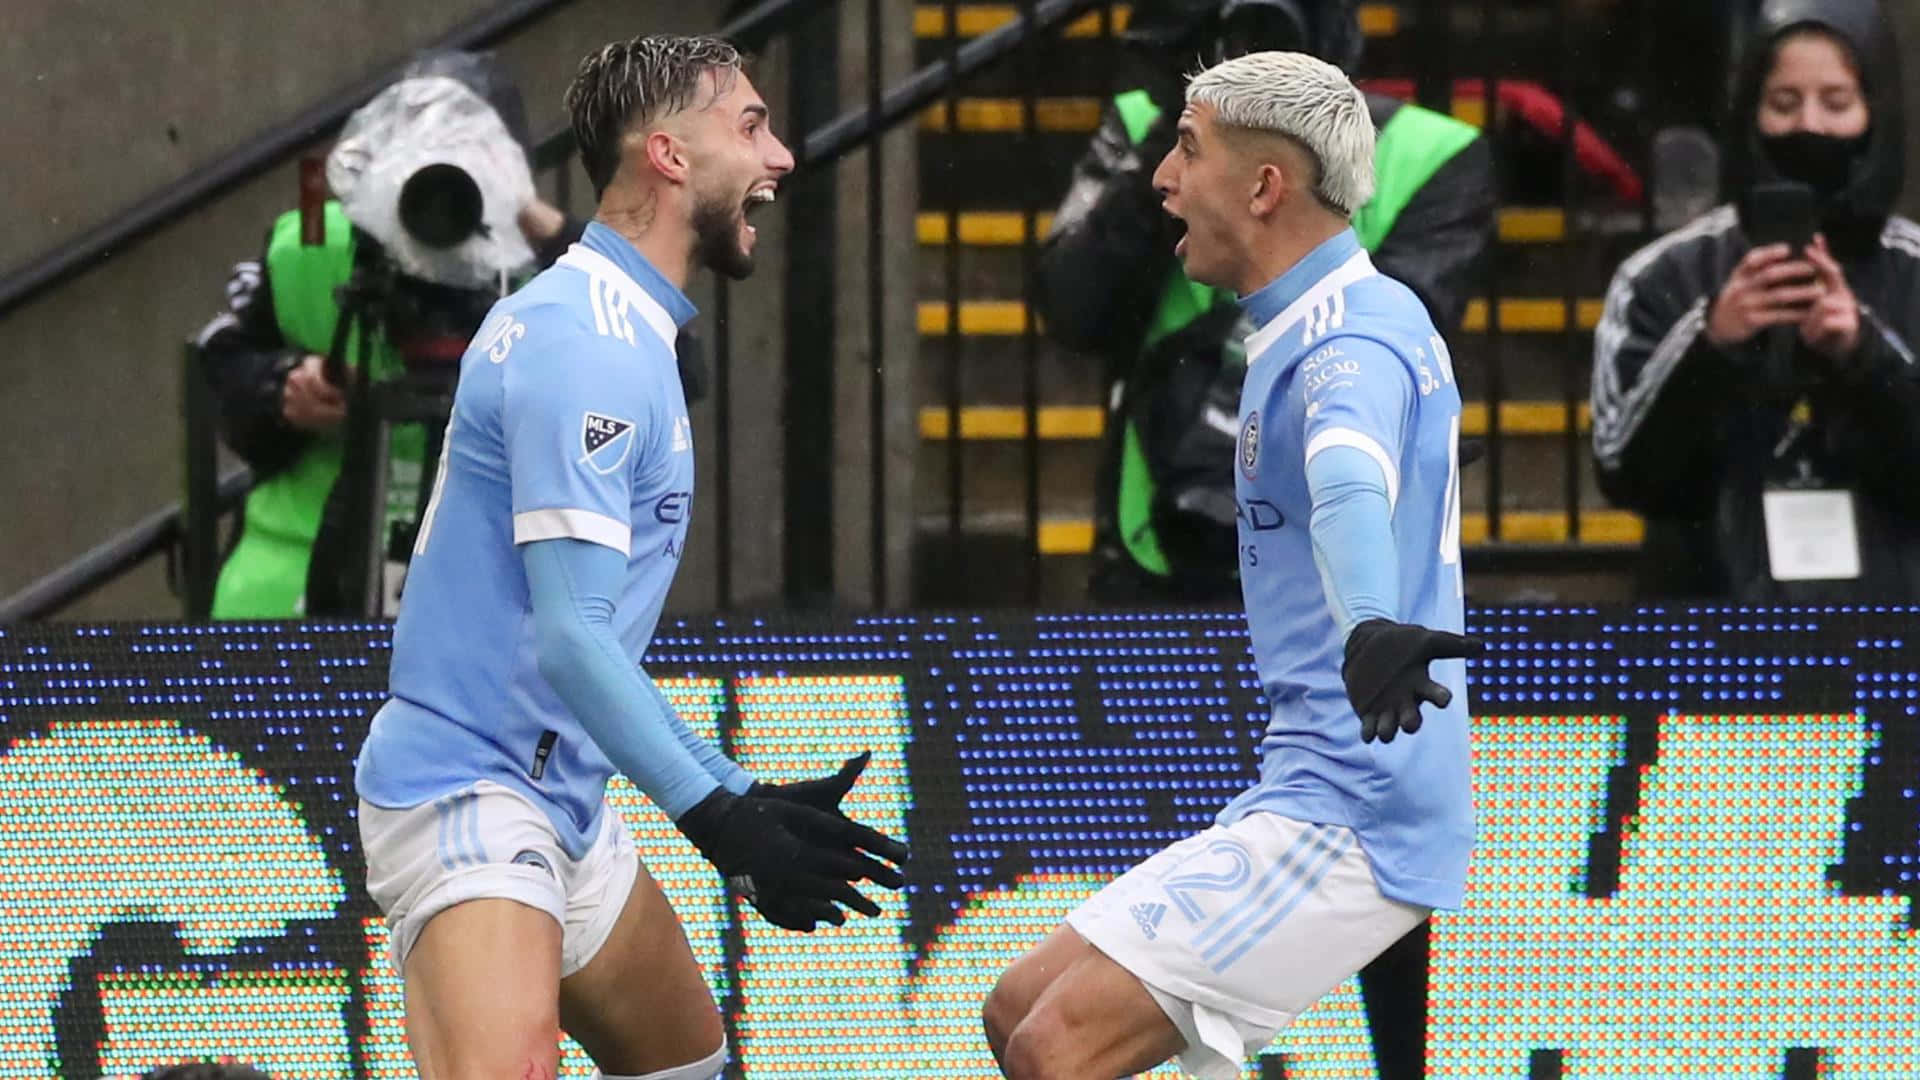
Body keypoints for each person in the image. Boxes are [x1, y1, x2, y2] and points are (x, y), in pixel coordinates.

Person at [352, 35, 909, 1080]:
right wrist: (725, 818)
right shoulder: (592, 344)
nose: (783, 155)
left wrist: (739, 791)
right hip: (470, 787)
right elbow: (572, 641)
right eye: (750, 125)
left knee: (686, 1067)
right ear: (667, 154)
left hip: (563, 797)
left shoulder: (615, 323)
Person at [983, 51, 1481, 1080]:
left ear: (1265, 187)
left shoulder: (1351, 342)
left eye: (1188, 149)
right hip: (1304, 786)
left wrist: (1371, 624)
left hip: (1359, 814)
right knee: (1016, 1010)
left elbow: (1350, 478)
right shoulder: (1310, 323)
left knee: (1054, 1047)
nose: (1159, 177)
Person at [1033, 0, 1492, 604]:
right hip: (1159, 547)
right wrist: (1184, 130)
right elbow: (1072, 308)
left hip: (1346, 561)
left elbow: (1384, 342)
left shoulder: (1429, 151)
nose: (1260, 52)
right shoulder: (1149, 123)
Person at [195, 49, 582, 620]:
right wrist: (281, 388)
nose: (441, 192)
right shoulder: (314, 247)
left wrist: (545, 229)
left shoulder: (553, 267)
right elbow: (218, 366)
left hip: (491, 596)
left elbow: (674, 362)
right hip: (295, 587)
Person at [1591, 0, 1920, 602]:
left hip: (1895, 637)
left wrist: (1865, 355)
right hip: (1713, 633)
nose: (1811, 127)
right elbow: (1623, 471)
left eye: (1837, 103)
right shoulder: (1661, 275)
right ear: (1751, 115)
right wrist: (1711, 343)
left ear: (1876, 112)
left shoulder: (1911, 269)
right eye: (1784, 104)